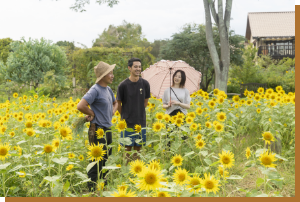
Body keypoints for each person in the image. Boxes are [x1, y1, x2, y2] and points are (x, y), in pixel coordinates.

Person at [77, 61, 118, 191]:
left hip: (107, 128)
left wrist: (112, 111)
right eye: (109, 73)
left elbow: (115, 103)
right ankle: (92, 190)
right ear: (103, 76)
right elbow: (80, 105)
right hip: (97, 129)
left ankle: (103, 187)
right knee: (96, 161)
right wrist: (91, 113)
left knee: (106, 159)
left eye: (112, 73)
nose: (112, 75)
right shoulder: (95, 89)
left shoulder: (108, 89)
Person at [116, 57, 150, 164]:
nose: (138, 69)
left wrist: (138, 111)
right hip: (126, 123)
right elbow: (118, 104)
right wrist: (126, 115)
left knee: (138, 150)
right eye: (135, 67)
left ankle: (136, 172)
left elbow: (145, 102)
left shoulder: (145, 84)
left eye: (139, 67)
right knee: (127, 150)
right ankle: (126, 171)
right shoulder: (123, 85)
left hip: (141, 122)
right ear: (129, 68)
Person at [162, 70, 191, 146]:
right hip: (170, 115)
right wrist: (168, 105)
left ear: (182, 79)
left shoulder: (185, 91)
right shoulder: (167, 90)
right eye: (175, 76)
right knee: (169, 137)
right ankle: (169, 156)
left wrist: (179, 103)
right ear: (173, 77)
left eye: (179, 76)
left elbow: (188, 106)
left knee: (183, 137)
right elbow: (163, 105)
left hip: (182, 115)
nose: (177, 78)